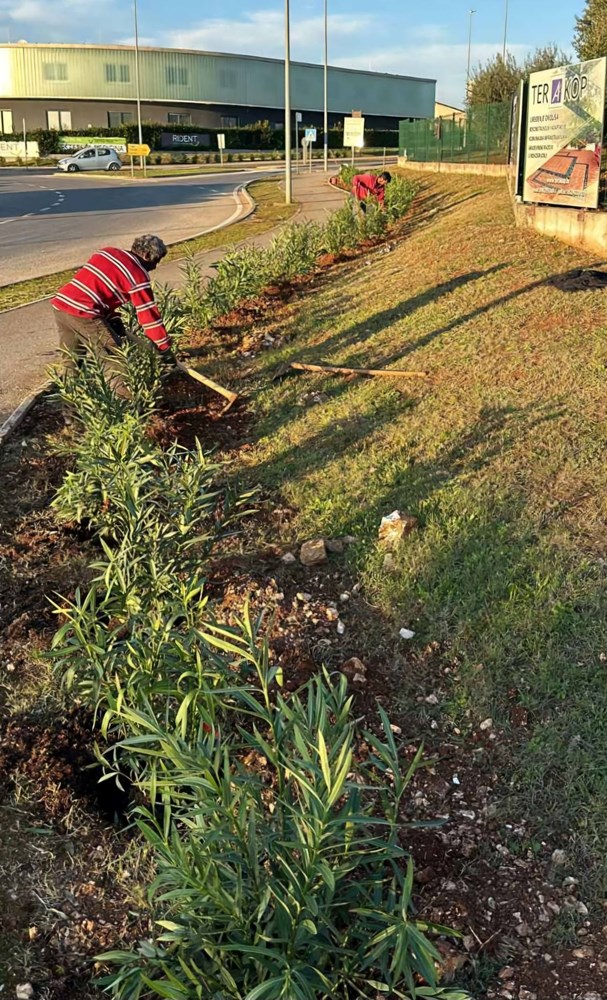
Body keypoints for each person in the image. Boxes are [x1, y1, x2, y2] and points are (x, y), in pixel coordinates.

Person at [51, 234, 174, 394]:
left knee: (71, 361)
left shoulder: (107, 252)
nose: (155, 267)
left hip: (62, 305)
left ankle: (70, 414)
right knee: (116, 361)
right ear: (147, 255)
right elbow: (149, 316)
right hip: (84, 314)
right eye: (156, 261)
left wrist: (112, 318)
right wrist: (164, 349)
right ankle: (128, 410)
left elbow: (98, 288)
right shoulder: (137, 275)